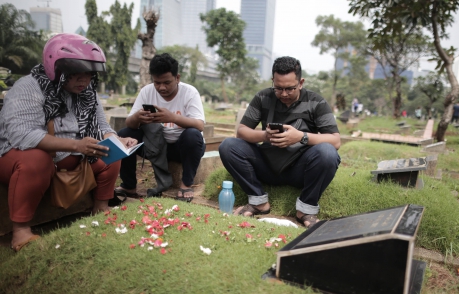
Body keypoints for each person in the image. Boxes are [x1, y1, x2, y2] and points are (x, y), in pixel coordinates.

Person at [0, 33, 137, 251]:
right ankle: (20, 231)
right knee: (36, 160)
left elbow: (102, 127)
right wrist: (77, 145)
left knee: (111, 153)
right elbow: (22, 136)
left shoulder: (87, 93)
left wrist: (118, 140)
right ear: (56, 69)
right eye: (75, 74)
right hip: (18, 155)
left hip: (74, 157)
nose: (84, 81)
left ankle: (101, 207)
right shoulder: (29, 87)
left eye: (89, 75)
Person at [218, 56, 341, 228]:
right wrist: (265, 136)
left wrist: (301, 137)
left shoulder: (316, 102)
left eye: (290, 89)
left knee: (327, 153)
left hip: (301, 169)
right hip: (266, 165)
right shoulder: (263, 97)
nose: (283, 94)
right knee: (228, 146)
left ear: (301, 82)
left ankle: (306, 209)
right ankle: (259, 201)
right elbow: (242, 131)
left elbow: (335, 140)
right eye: (278, 88)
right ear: (272, 81)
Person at [115, 53, 205, 201]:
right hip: (155, 145)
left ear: (177, 78)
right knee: (125, 134)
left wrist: (173, 118)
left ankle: (185, 184)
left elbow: (199, 125)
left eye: (167, 82)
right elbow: (129, 123)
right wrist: (138, 117)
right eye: (157, 82)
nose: (161, 87)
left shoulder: (190, 92)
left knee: (192, 135)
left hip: (181, 147)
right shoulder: (147, 91)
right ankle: (129, 185)